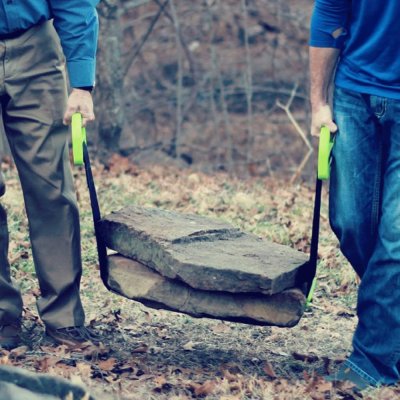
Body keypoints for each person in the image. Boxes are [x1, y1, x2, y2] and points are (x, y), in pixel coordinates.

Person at [309, 0, 400, 390]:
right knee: (350, 222)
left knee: (396, 238)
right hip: (354, 92)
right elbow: (330, 12)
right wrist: (318, 102)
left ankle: (372, 363)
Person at [0, 1, 100, 349]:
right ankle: (1, 318)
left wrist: (82, 84)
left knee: (51, 190)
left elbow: (74, 2)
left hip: (36, 53)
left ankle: (64, 321)